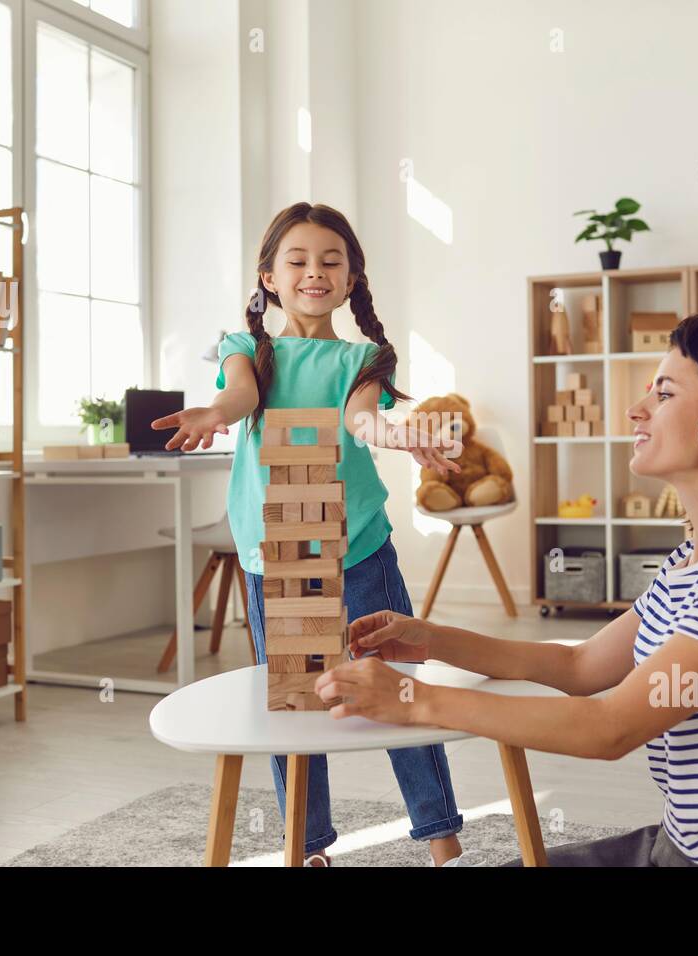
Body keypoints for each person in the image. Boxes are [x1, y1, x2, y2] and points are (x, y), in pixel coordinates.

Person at [316, 315, 698, 867]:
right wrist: (433, 639)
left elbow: (610, 727)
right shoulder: (693, 560)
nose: (636, 411)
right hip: (683, 846)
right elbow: (582, 665)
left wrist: (414, 700)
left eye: (664, 394)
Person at [153, 202, 479, 867]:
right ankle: (307, 848)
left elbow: (365, 421)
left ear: (353, 276)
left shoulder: (364, 356)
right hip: (278, 550)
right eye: (297, 260)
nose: (314, 272)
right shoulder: (248, 349)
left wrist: (402, 433)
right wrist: (215, 411)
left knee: (398, 688)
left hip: (357, 544)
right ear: (268, 276)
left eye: (332, 261)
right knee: (297, 707)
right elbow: (241, 396)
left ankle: (442, 838)